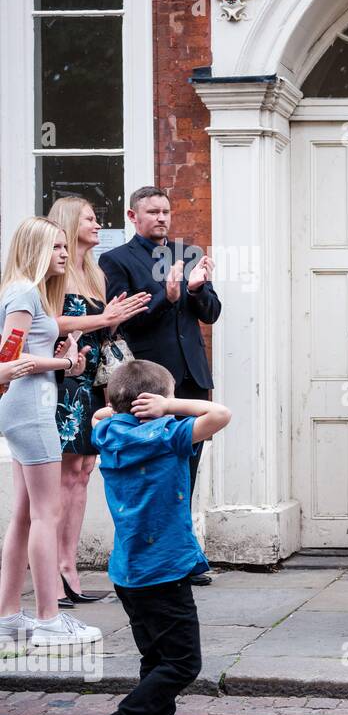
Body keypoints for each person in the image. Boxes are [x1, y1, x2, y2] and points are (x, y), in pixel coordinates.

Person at [77, 359, 230, 715]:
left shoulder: (107, 433)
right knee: (183, 663)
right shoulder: (169, 435)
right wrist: (170, 405)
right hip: (165, 569)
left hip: (128, 573)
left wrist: (117, 407)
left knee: (156, 659)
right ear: (156, 402)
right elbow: (220, 414)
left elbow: (100, 414)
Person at [100, 186, 222, 587]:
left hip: (190, 378)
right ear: (133, 217)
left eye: (166, 211)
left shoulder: (187, 254)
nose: (162, 218)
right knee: (153, 474)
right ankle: (147, 556)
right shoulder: (115, 260)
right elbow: (121, 323)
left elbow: (212, 313)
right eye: (152, 211)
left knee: (186, 471)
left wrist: (194, 289)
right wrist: (166, 297)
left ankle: (183, 557)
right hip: (145, 382)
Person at [0, 217, 101, 647]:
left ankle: (9, 616)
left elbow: (26, 346)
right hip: (31, 409)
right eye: (58, 247)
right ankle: (47, 619)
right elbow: (10, 353)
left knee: (24, 514)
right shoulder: (24, 291)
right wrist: (64, 364)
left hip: (25, 406)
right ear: (39, 249)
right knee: (46, 512)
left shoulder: (24, 291)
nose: (65, 253)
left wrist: (59, 350)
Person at [48, 196, 151, 606]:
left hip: (92, 379)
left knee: (84, 470)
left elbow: (102, 330)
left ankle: (69, 566)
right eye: (90, 218)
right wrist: (103, 319)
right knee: (63, 474)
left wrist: (115, 319)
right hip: (61, 379)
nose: (97, 224)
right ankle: (54, 569)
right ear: (71, 223)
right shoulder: (52, 270)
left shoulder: (94, 272)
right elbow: (48, 321)